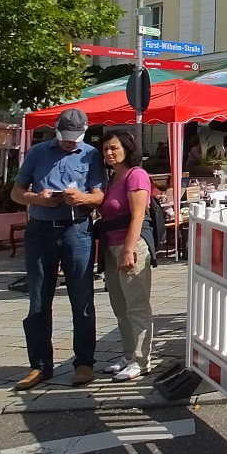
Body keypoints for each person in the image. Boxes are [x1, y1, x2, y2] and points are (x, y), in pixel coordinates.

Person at [12, 108, 105, 390]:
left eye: (75, 139)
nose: (69, 143)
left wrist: (82, 198)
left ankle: (84, 363)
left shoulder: (91, 154)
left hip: (78, 230)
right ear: (56, 130)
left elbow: (99, 196)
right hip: (41, 232)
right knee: (38, 301)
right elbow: (16, 192)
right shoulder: (38, 152)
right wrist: (37, 198)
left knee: (82, 299)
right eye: (66, 138)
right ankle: (39, 365)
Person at [95, 130, 154, 381]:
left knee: (136, 306)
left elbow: (138, 215)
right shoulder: (112, 177)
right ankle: (129, 354)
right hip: (110, 246)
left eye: (114, 148)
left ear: (127, 149)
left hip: (130, 246)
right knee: (120, 306)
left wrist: (129, 250)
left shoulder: (136, 175)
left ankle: (142, 360)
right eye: (106, 148)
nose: (109, 153)